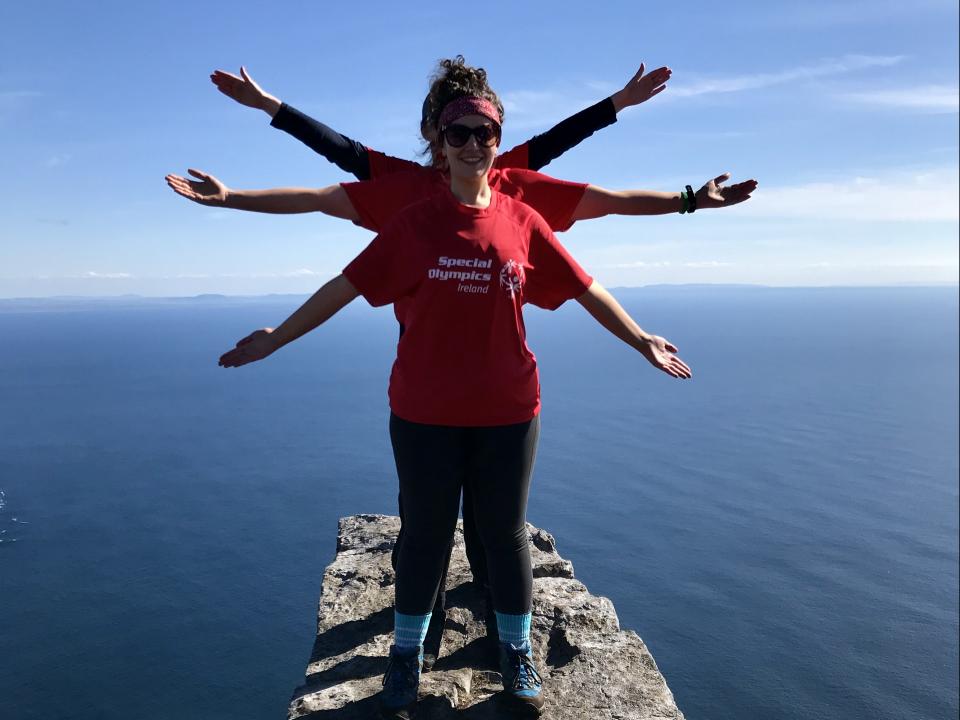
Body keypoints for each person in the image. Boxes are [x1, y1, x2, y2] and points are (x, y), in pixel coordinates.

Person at [166, 54, 754, 673]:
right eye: (459, 129)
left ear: (494, 138)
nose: (475, 143)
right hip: (428, 398)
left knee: (482, 530)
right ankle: (424, 638)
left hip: (495, 399)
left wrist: (677, 183)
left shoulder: (510, 190)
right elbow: (332, 172)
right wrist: (245, 166)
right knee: (434, 531)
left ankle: (498, 637)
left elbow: (583, 181)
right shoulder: (412, 194)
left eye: (486, 131)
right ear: (435, 137)